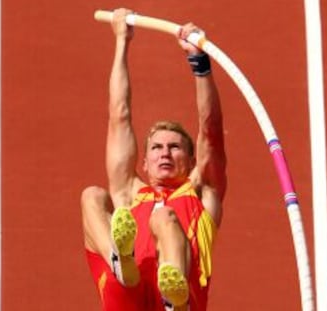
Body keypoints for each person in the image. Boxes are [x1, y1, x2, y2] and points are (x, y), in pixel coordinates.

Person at [82, 8, 227, 311]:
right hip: (130, 290)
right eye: (157, 147)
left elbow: (210, 133)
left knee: (164, 218)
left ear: (190, 160)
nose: (165, 152)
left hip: (179, 298)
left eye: (175, 147)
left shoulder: (201, 195)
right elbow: (119, 115)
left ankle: (175, 301)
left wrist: (199, 64)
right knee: (93, 197)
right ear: (144, 163)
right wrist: (122, 41)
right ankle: (120, 262)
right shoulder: (130, 194)